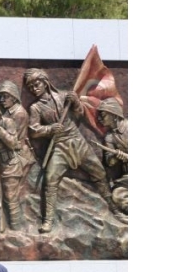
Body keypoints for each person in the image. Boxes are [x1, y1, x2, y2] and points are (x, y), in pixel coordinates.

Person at [24, 68, 124, 232]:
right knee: (50, 179)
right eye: (30, 87)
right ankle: (48, 220)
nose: (34, 88)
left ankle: (114, 209)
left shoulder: (64, 96)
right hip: (59, 146)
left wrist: (76, 102)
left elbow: (79, 114)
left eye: (37, 84)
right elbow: (34, 130)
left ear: (45, 82)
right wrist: (49, 129)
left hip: (78, 142)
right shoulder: (35, 108)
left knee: (99, 173)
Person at [0, 101, 33, 230]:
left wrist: (0, 131)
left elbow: (13, 143)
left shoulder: (7, 122)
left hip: (10, 163)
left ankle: (16, 227)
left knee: (10, 196)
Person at [96, 99, 128, 215]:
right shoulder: (109, 137)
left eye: (103, 115)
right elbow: (110, 162)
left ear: (114, 114)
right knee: (118, 195)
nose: (99, 118)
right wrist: (117, 156)